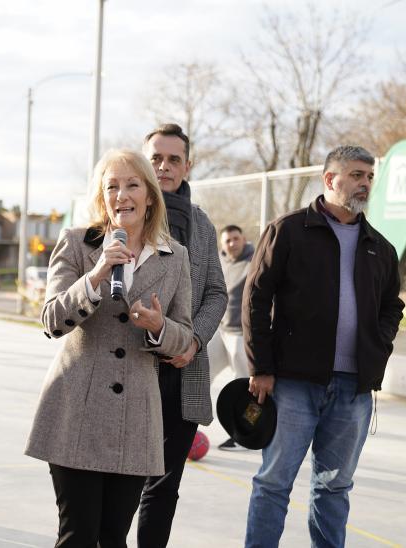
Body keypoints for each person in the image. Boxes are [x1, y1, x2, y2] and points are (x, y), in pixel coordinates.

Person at [25, 149, 194, 548]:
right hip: (75, 412)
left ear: (150, 195)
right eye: (112, 186)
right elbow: (52, 320)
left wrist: (159, 327)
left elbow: (185, 337)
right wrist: (98, 273)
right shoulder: (76, 244)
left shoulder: (175, 257)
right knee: (78, 536)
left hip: (137, 419)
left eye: (132, 184)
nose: (122, 195)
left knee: (113, 539)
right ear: (102, 197)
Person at [242, 145, 405, 548]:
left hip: (354, 390)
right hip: (294, 383)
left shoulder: (380, 247)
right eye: (356, 174)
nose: (365, 182)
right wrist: (261, 367)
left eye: (369, 175)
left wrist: (377, 350)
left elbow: (392, 307)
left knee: (335, 488)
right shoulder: (289, 230)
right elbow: (256, 298)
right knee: (274, 482)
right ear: (330, 180)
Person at [138, 123, 227, 547]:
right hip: (130, 370)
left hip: (184, 372)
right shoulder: (124, 214)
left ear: (187, 166)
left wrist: (193, 342)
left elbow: (216, 292)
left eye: (174, 159)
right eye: (155, 158)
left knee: (164, 488)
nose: (164, 166)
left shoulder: (203, 225)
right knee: (120, 483)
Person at [207, 224, 254, 451]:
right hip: (220, 330)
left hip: (242, 334)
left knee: (244, 385)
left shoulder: (255, 260)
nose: (232, 243)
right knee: (200, 372)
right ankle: (186, 426)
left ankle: (242, 432)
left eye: (236, 238)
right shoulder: (219, 261)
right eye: (228, 240)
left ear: (243, 238)